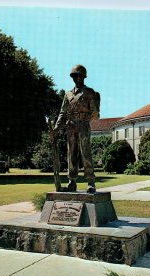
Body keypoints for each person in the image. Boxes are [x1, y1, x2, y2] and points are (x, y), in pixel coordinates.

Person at [54, 65, 100, 193]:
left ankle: (90, 181)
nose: (76, 78)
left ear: (83, 77)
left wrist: (85, 121)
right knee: (71, 154)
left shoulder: (89, 92)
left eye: (78, 75)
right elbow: (62, 113)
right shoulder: (68, 94)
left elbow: (95, 112)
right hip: (70, 127)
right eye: (74, 76)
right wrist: (57, 128)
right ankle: (72, 181)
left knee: (85, 153)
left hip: (83, 125)